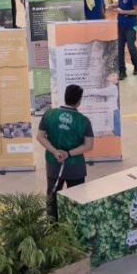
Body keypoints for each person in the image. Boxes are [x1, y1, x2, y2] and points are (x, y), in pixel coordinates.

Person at [36, 84, 94, 219]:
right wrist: (68, 154)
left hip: (53, 163)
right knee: (76, 199)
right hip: (75, 167)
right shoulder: (83, 121)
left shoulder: (49, 114)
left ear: (65, 97)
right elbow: (88, 145)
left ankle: (53, 226)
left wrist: (55, 152)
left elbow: (40, 137)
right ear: (79, 101)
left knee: (52, 197)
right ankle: (74, 226)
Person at [116, 0, 137, 80]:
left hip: (131, 26)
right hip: (120, 24)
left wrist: (123, 12)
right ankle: (122, 70)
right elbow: (121, 5)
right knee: (119, 47)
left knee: (131, 47)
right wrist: (114, 5)